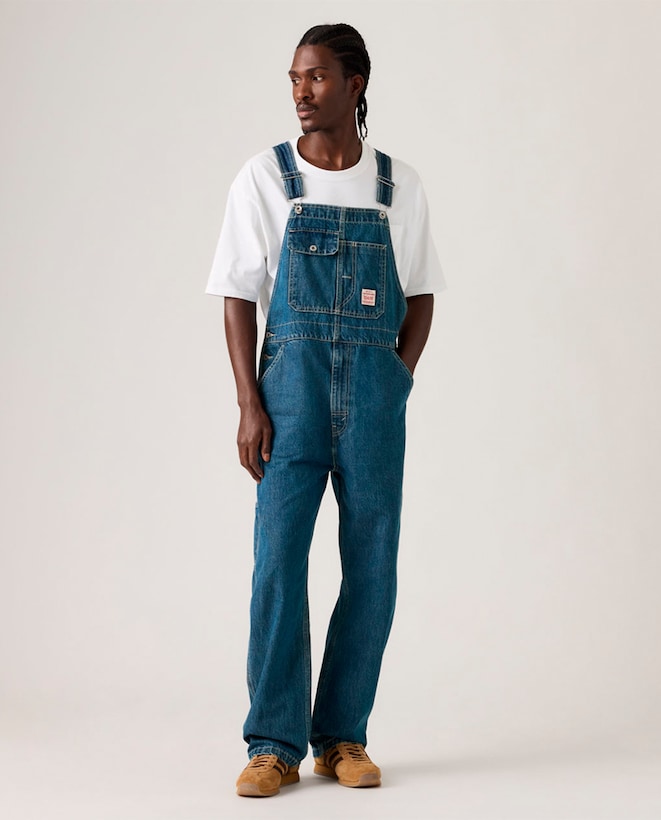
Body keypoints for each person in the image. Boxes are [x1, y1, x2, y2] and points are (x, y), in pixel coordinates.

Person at [205, 23, 447, 798]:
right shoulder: (266, 177)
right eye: (294, 78)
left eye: (314, 77)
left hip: (373, 401)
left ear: (354, 84)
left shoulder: (396, 185)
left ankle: (341, 736)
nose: (301, 92)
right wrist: (248, 402)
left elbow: (420, 292)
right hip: (289, 401)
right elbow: (237, 292)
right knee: (278, 565)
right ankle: (271, 743)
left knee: (371, 567)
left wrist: (395, 378)